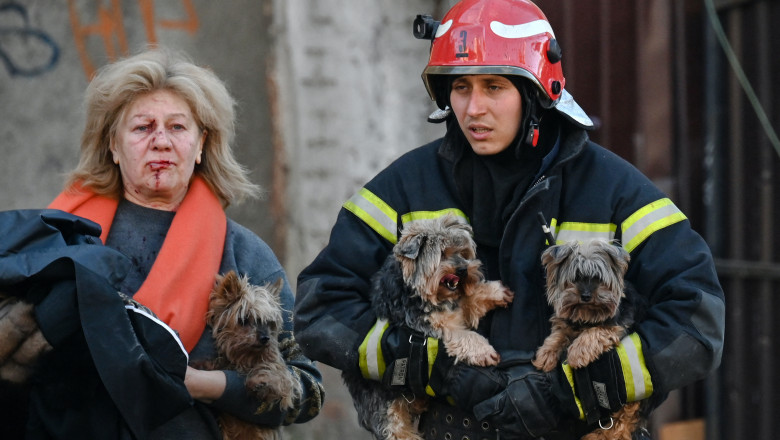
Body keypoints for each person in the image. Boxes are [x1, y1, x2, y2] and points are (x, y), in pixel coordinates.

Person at [294, 1, 724, 439]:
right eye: (461, 87)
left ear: (536, 92)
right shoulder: (404, 188)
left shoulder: (615, 191)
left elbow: (697, 320)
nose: (474, 108)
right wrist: (437, 369)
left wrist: (571, 392)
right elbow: (322, 308)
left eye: (494, 86)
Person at [1, 47, 324, 439]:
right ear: (113, 146)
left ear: (202, 144)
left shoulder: (244, 254)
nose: (160, 142)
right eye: (142, 127)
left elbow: (308, 391)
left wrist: (205, 384)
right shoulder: (58, 235)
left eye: (177, 127)